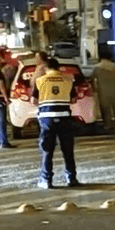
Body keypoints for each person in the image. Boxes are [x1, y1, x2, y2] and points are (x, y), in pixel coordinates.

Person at [32, 58, 79, 189]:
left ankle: (46, 180)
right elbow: (74, 100)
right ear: (58, 68)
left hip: (47, 119)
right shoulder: (68, 80)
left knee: (47, 150)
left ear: (46, 68)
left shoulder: (40, 81)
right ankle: (71, 178)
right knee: (68, 150)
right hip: (64, 118)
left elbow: (33, 100)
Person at [91, 49, 115, 130]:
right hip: (114, 89)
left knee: (105, 108)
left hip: (103, 90)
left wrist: (94, 88)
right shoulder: (114, 66)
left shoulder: (97, 67)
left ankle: (107, 124)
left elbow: (92, 78)